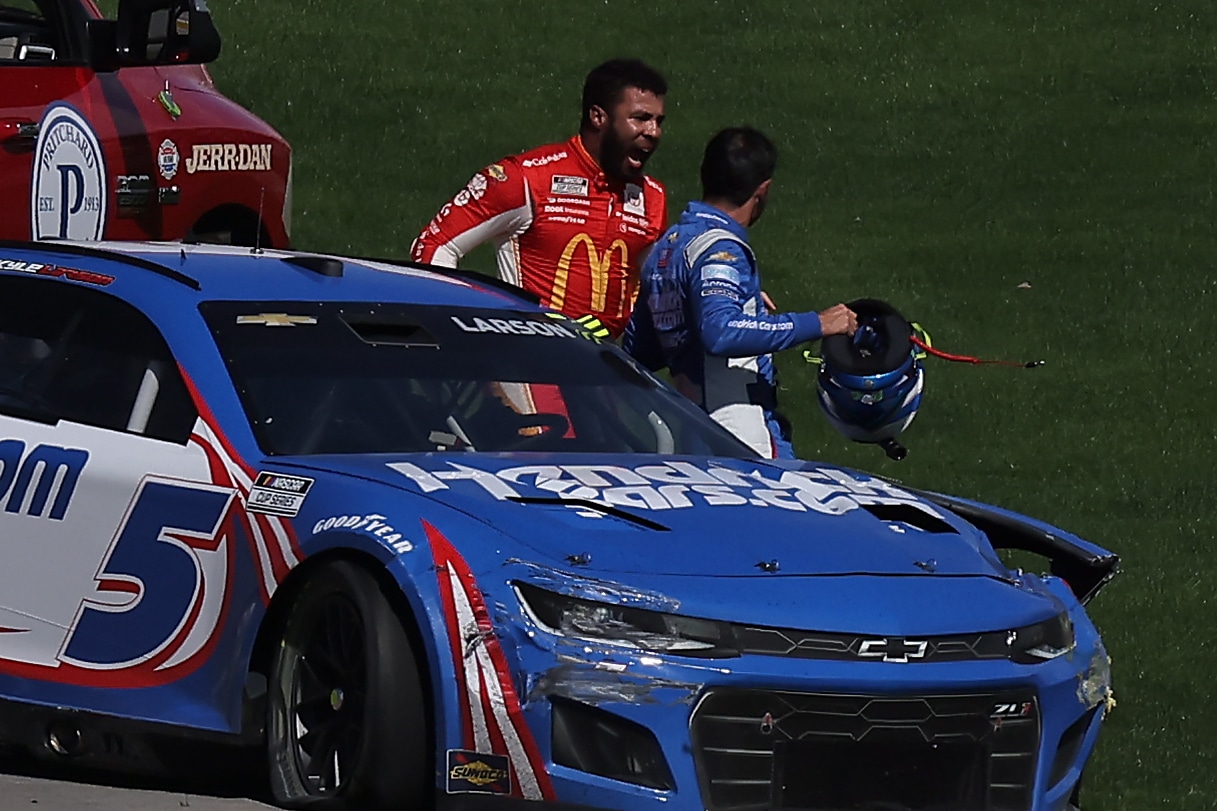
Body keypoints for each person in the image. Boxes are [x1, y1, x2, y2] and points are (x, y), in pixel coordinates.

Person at [623, 127, 857, 459]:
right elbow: (720, 331)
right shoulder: (721, 248)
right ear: (762, 191)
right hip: (743, 440)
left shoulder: (665, 250)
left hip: (691, 440)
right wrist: (817, 323)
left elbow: (640, 353)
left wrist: (705, 302)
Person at [411, 58, 669, 338]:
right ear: (598, 117)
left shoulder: (652, 196)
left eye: (658, 121)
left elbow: (655, 292)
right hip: (525, 369)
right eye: (641, 118)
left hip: (600, 374)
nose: (654, 132)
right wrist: (467, 331)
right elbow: (433, 247)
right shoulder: (525, 178)